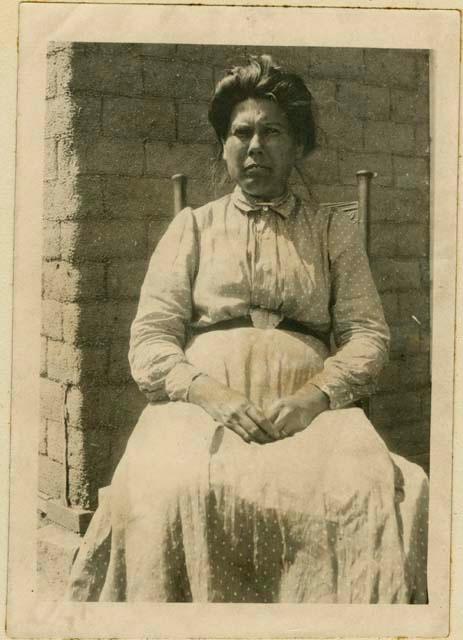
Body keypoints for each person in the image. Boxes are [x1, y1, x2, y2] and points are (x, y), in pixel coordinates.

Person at [67, 55, 429, 603]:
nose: (254, 146)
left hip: (308, 411)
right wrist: (209, 394)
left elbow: (368, 336)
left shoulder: (333, 231)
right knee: (167, 491)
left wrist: (314, 397)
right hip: (201, 407)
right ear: (223, 146)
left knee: (365, 494)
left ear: (298, 146)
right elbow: (150, 339)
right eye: (241, 133)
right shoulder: (193, 227)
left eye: (272, 132)